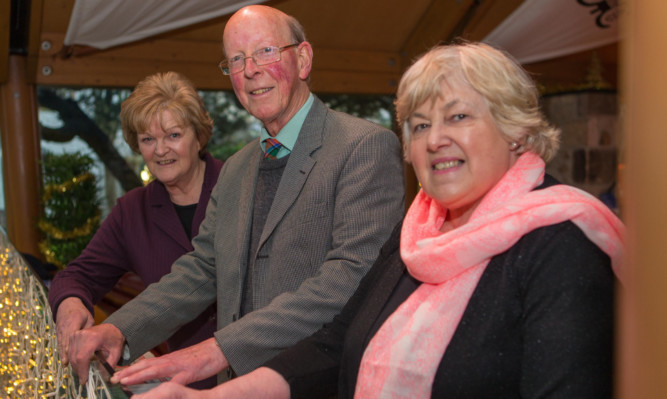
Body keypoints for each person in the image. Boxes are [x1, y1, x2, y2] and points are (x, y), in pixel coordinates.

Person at [133, 42, 625, 398]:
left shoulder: (563, 244)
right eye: (419, 125)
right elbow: (334, 344)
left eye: (458, 117)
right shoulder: (416, 231)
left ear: (515, 130)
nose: (434, 140)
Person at [67, 4, 404, 388]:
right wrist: (120, 330)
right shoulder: (238, 168)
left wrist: (218, 349)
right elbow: (205, 267)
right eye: (236, 60)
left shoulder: (363, 147)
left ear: (303, 58)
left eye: (266, 51)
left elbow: (350, 278)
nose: (251, 70)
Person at [48, 71, 223, 389]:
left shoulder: (239, 187)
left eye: (173, 135)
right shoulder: (133, 210)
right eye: (148, 139)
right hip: (183, 384)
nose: (160, 150)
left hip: (260, 376)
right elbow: (77, 276)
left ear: (198, 136)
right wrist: (70, 303)